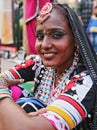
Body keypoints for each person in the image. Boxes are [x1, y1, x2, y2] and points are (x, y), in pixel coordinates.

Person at [0, 2, 97, 130]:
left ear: (75, 40)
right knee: (14, 93)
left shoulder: (85, 81)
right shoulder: (38, 64)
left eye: (56, 35)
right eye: (39, 36)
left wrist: (1, 90)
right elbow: (4, 78)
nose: (44, 44)